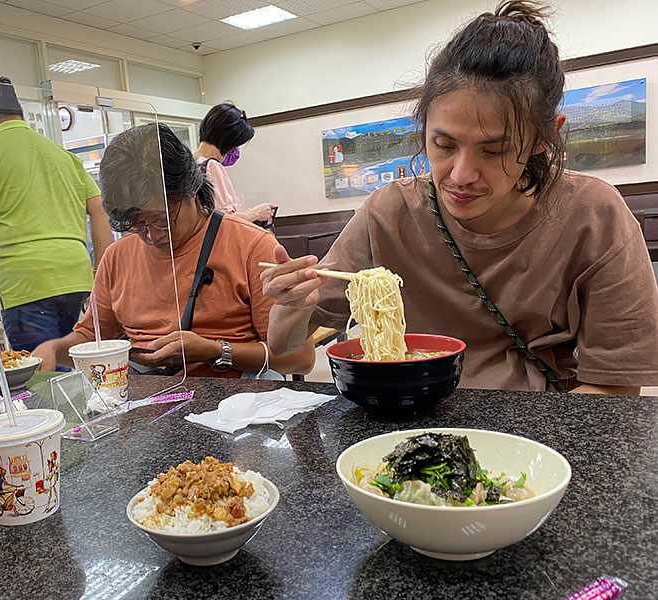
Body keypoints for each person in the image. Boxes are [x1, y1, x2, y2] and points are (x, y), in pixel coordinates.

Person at [262, 1, 658, 394]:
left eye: (494, 150)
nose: (461, 175)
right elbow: (284, 345)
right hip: (414, 418)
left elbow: (614, 389)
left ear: (543, 138)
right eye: (443, 144)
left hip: (543, 435)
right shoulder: (389, 213)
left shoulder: (593, 215)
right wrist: (292, 301)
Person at [33, 123, 315, 378]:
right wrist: (55, 349)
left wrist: (215, 352)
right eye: (135, 224)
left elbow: (300, 359)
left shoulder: (252, 247)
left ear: (191, 189)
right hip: (150, 406)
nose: (151, 235)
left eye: (161, 219)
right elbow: (93, 337)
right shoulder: (118, 257)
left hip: (238, 407)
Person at [0, 76, 114, 353]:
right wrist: (101, 271)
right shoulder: (62, 155)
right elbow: (99, 209)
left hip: (25, 281)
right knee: (70, 363)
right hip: (74, 277)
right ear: (21, 113)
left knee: (39, 376)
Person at [194, 103, 275, 223]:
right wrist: (255, 214)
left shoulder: (192, 163)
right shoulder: (212, 166)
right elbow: (225, 220)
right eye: (235, 145)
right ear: (227, 140)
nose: (234, 151)